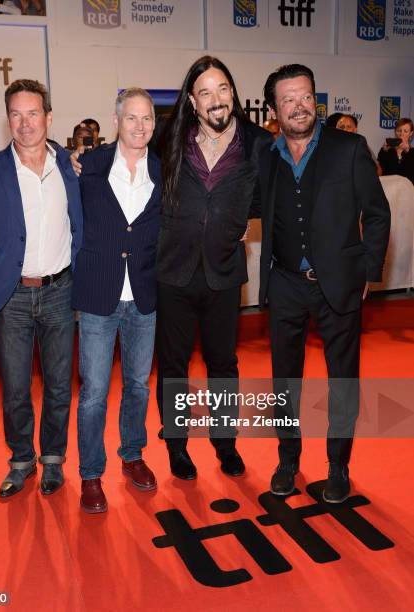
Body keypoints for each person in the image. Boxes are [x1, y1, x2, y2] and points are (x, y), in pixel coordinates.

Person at [258, 64, 390, 503]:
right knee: (285, 381)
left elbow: (377, 213)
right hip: (285, 283)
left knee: (342, 380)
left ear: (316, 100)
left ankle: (338, 466)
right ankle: (288, 461)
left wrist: (369, 271)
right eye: (288, 99)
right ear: (274, 110)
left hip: (338, 283)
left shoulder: (349, 149)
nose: (299, 106)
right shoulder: (267, 156)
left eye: (305, 96)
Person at [156, 56, 272, 480]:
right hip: (173, 270)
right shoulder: (170, 137)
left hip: (224, 273)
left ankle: (225, 443)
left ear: (233, 92)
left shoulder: (258, 142)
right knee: (173, 365)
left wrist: (235, 218)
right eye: (205, 92)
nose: (216, 100)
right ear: (192, 99)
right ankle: (176, 446)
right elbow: (136, 171)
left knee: (223, 364)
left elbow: (272, 195)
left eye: (223, 89)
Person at [0, 79, 83, 498]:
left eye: (33, 113)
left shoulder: (69, 165)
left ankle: (52, 458)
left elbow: (82, 221)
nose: (25, 123)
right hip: (12, 296)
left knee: (57, 385)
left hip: (60, 291)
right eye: (16, 114)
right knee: (15, 387)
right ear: (8, 119)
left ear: (48, 117)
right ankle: (21, 461)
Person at [72, 88, 160, 513]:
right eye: (132, 118)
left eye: (147, 119)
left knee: (139, 386)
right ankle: (91, 475)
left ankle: (133, 454)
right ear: (116, 120)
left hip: (144, 294)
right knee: (94, 392)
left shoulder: (163, 170)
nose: (140, 126)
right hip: (97, 294)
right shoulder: (85, 165)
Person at [378, 118, 414, 185]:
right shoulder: (387, 151)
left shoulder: (412, 153)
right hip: (389, 189)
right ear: (395, 132)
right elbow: (379, 171)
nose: (401, 134)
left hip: (408, 191)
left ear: (411, 133)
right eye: (399, 130)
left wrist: (408, 151)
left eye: (405, 131)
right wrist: (384, 151)